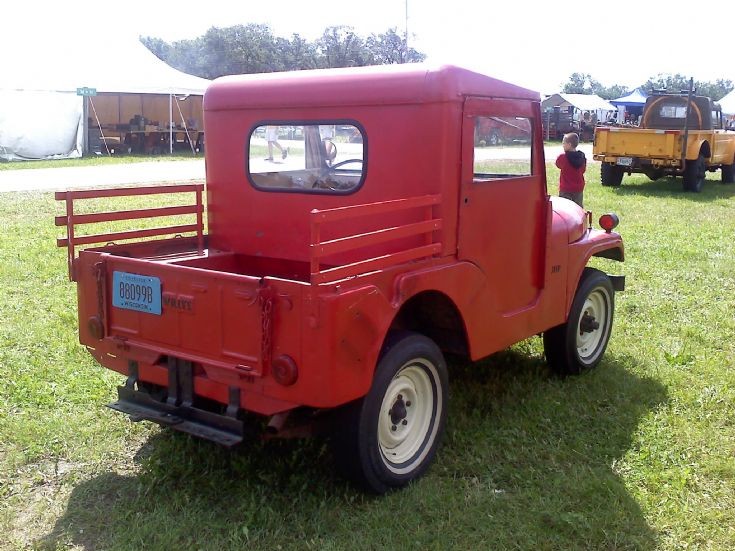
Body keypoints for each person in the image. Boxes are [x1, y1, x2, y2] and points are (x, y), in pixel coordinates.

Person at [556, 132, 586, 208]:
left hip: (566, 188)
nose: (562, 145)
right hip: (578, 188)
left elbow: (558, 164)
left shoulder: (562, 157)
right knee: (578, 208)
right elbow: (583, 170)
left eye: (564, 143)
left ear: (569, 145)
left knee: (565, 209)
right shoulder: (582, 157)